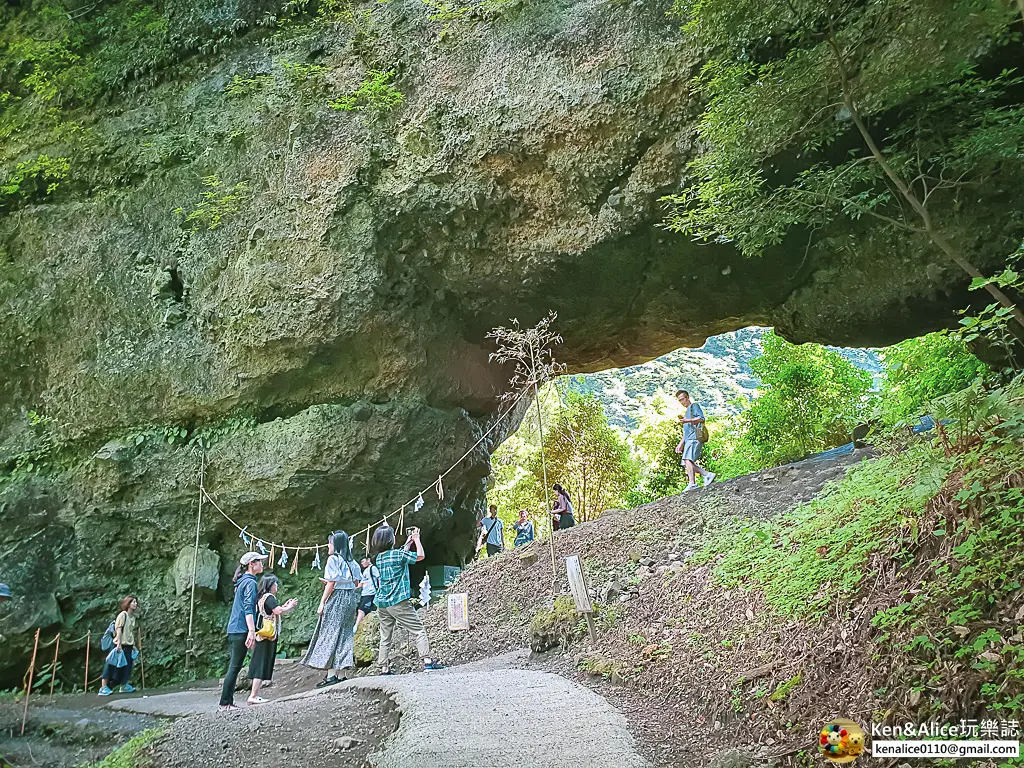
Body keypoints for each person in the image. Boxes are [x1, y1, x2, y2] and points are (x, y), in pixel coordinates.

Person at [371, 524, 443, 674]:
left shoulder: (379, 558)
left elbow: (399, 556)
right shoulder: (397, 555)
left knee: (385, 636)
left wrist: (408, 544)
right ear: (391, 540)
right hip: (398, 601)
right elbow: (420, 556)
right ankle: (427, 662)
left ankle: (384, 668)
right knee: (418, 630)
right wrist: (416, 540)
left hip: (382, 603)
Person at [302, 531, 364, 687]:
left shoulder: (333, 560)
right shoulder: (353, 563)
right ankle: (341, 675)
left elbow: (332, 583)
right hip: (350, 598)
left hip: (337, 598)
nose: (327, 546)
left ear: (335, 544)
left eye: (329, 543)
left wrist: (322, 602)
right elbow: (356, 583)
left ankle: (330, 676)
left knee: (330, 633)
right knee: (345, 634)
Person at [220, 551, 267, 710]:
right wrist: (251, 631)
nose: (262, 564)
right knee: (234, 667)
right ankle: (225, 703)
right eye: (259, 561)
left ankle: (228, 702)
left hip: (236, 628)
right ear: (251, 564)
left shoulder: (242, 581)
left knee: (235, 666)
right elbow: (248, 609)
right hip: (241, 629)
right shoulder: (250, 583)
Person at [247, 574, 297, 705]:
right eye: (275, 584)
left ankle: (255, 694)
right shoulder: (269, 597)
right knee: (260, 665)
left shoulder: (262, 598)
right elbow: (278, 611)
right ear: (270, 585)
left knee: (260, 663)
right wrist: (290, 606)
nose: (277, 586)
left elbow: (276, 610)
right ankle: (253, 695)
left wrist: (285, 606)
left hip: (263, 635)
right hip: (266, 636)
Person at [674, 389, 716, 492]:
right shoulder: (686, 413)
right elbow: (686, 432)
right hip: (689, 439)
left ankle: (692, 483)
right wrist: (680, 444)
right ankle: (707, 475)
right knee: (686, 462)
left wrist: (687, 420)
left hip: (694, 438)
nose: (681, 402)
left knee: (687, 459)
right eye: (679, 400)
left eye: (682, 399)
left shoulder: (694, 406)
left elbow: (702, 419)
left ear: (687, 397)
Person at [98, 596, 140, 696]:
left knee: (127, 666)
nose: (135, 604)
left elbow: (129, 632)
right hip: (119, 644)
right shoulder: (123, 615)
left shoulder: (132, 617)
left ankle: (124, 685)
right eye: (133, 602)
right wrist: (119, 643)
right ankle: (103, 687)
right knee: (111, 665)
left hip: (128, 645)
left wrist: (133, 645)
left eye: (136, 602)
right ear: (128, 603)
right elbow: (119, 629)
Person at [355, 556, 380, 631]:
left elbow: (379, 578)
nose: (362, 563)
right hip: (364, 593)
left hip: (371, 592)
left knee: (361, 610)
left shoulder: (373, 568)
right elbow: (360, 584)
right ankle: (359, 626)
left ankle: (356, 627)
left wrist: (380, 589)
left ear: (368, 560)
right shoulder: (365, 571)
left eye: (363, 561)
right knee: (361, 610)